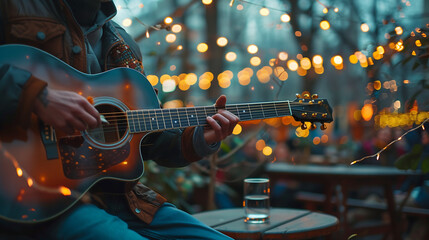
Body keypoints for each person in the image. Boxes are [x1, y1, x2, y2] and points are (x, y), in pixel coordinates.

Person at [0, 0, 239, 239]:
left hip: (124, 203)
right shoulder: (14, 7)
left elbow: (146, 139)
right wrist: (39, 97)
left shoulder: (121, 43)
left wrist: (198, 138)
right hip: (45, 200)